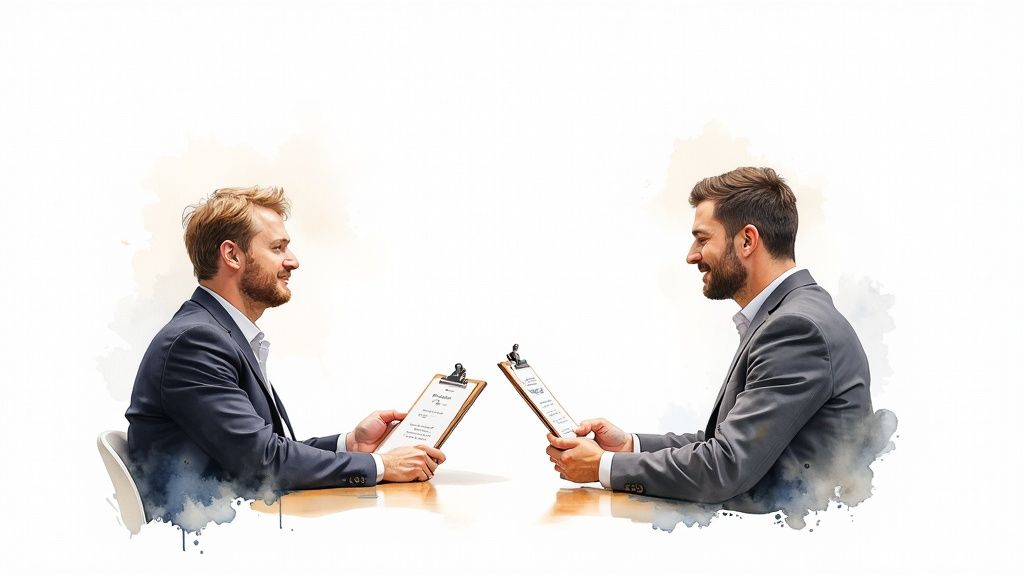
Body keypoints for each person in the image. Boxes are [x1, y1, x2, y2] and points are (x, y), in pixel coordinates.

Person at [546, 167, 874, 508]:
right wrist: (629, 446)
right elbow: (725, 444)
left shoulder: (795, 329)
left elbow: (724, 467)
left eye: (702, 239)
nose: (692, 255)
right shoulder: (790, 315)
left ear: (747, 241)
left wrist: (603, 466)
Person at [126, 186, 443, 522]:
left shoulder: (217, 334)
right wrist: (381, 465)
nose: (293, 261)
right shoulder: (196, 342)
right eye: (277, 248)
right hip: (213, 541)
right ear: (232, 255)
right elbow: (262, 463)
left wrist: (350, 444)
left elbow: (261, 449)